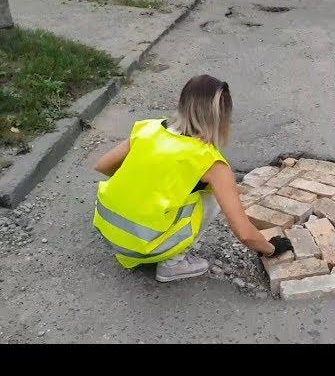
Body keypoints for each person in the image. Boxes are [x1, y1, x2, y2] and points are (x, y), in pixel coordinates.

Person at [92, 74, 293, 282]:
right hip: (142, 246)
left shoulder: (148, 129)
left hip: (109, 232)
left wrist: (145, 184)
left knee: (181, 186)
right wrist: (271, 249)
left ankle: (149, 240)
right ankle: (173, 264)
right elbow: (244, 233)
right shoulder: (210, 162)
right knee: (213, 196)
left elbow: (103, 165)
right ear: (221, 117)